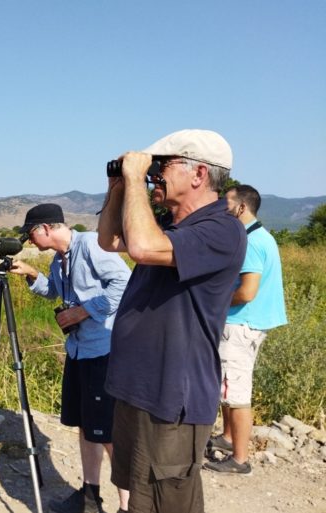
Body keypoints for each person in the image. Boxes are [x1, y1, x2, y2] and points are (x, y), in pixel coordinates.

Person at [97, 129, 246, 513]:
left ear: (199, 174)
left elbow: (143, 247)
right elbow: (110, 241)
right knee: (139, 499)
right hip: (138, 389)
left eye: (164, 164)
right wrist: (119, 187)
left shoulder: (222, 229)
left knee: (170, 503)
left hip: (171, 398)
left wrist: (134, 179)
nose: (155, 172)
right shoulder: (169, 224)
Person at [9, 203, 131, 513]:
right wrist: (31, 274)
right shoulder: (57, 259)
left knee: (105, 430)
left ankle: (130, 504)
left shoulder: (91, 244)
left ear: (46, 229)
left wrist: (85, 310)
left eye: (32, 235)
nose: (31, 242)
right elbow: (54, 292)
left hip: (103, 349)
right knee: (85, 425)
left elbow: (125, 283)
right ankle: (90, 496)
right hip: (78, 349)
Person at [204, 185, 287, 474]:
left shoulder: (250, 242)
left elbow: (247, 291)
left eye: (227, 203)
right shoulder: (262, 237)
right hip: (251, 322)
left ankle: (239, 459)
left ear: (241, 208)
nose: (222, 207)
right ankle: (227, 438)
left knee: (235, 393)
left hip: (241, 322)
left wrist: (214, 298)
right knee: (228, 385)